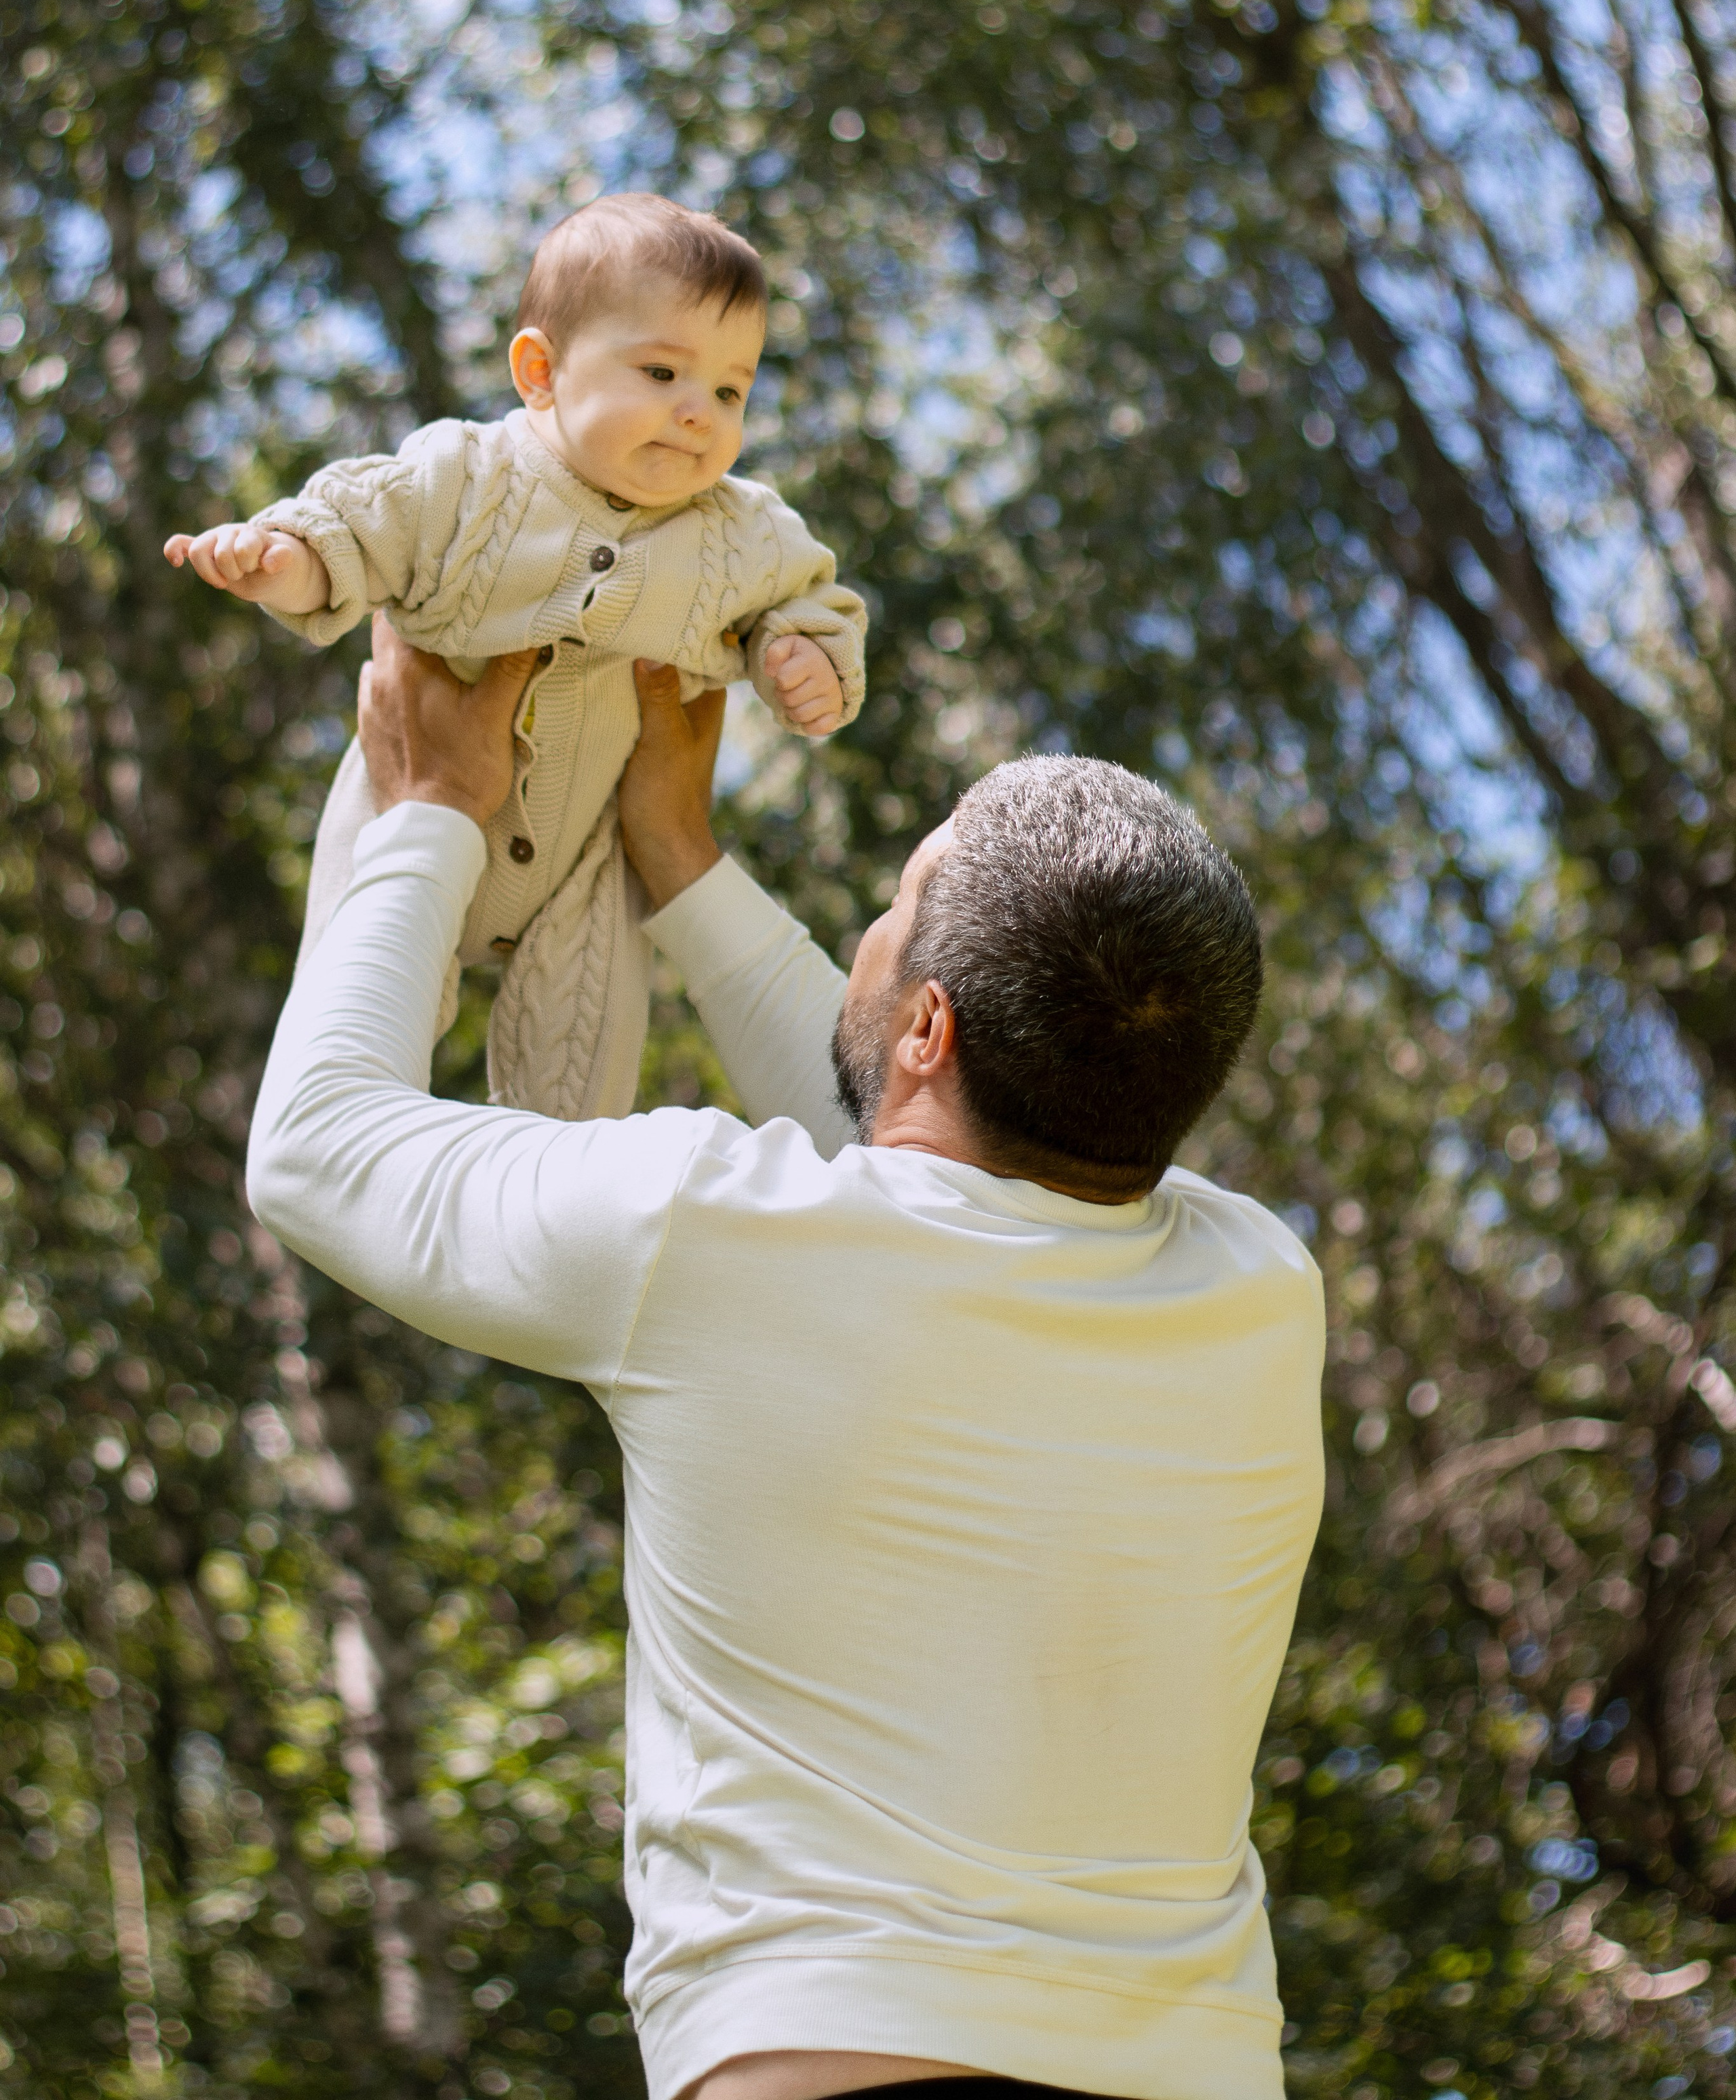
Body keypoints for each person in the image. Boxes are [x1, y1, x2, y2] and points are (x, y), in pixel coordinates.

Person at [247, 627, 1326, 2100]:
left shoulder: (705, 1236)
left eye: (897, 907)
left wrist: (433, 807)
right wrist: (681, 862)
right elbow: (927, 1163)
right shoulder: (1257, 1289)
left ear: (929, 1023)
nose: (870, 938)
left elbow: (316, 1146)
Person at [166, 193, 867, 1122]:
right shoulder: (467, 475)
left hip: (592, 858)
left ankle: (556, 1176)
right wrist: (281, 562)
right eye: (663, 371)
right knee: (350, 1035)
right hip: (405, 798)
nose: (699, 413)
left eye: (730, 392)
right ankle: (345, 1116)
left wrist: (805, 660)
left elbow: (810, 598)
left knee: (579, 1094)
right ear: (541, 372)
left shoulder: (739, 529)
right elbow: (355, 527)